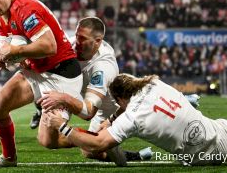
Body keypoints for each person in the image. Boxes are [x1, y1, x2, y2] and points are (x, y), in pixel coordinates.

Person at [45, 73, 227, 166]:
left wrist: (62, 127)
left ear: (120, 99)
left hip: (201, 159)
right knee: (226, 127)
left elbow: (96, 144)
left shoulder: (133, 118)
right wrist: (114, 118)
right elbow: (132, 98)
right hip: (221, 135)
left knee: (219, 142)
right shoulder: (154, 82)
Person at [0, 0, 84, 168]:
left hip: (60, 74)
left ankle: (100, 140)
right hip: (36, 70)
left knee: (49, 141)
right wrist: (4, 59)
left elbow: (49, 46)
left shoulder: (25, 9)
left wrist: (15, 51)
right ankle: (9, 158)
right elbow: (8, 48)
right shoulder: (0, 15)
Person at [36, 17, 152, 165]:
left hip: (108, 110)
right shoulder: (71, 45)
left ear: (97, 41)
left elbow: (88, 112)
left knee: (89, 151)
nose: (76, 42)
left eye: (82, 38)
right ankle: (99, 142)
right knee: (47, 140)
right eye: (77, 36)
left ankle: (127, 153)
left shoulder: (103, 67)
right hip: (76, 92)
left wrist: (63, 98)